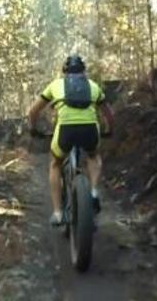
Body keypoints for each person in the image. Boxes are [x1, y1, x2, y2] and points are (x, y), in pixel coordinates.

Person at [28, 55, 114, 226]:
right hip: (90, 130)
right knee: (93, 156)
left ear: (64, 72)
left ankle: (59, 213)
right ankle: (94, 192)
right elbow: (109, 114)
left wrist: (33, 128)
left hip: (66, 131)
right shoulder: (93, 86)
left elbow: (33, 111)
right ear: (84, 71)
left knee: (55, 163)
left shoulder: (55, 85)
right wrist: (109, 130)